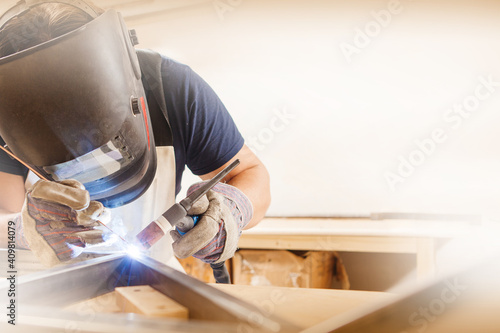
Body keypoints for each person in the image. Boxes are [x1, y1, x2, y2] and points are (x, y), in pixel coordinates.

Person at [0, 1, 270, 270]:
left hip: (152, 276)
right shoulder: (7, 105)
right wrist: (25, 230)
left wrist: (230, 212)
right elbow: (5, 210)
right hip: (44, 282)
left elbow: (248, 173)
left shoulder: (171, 88)